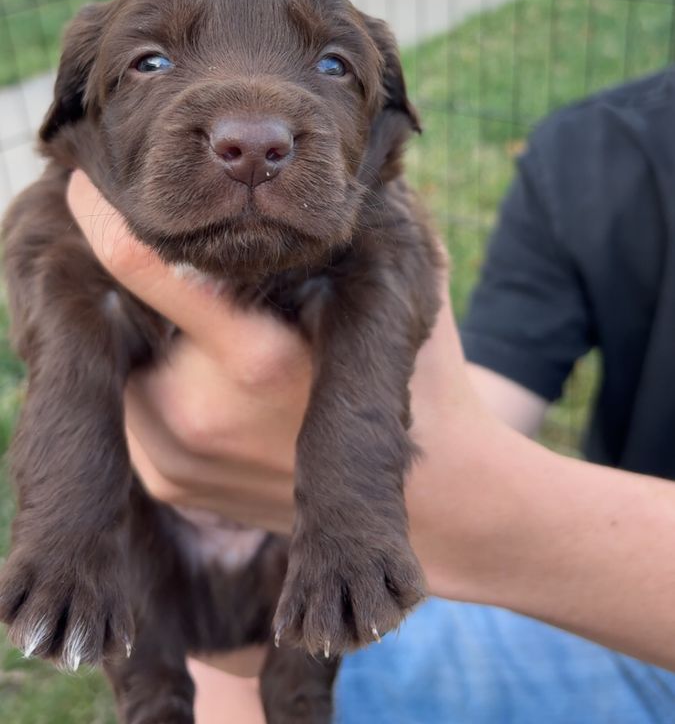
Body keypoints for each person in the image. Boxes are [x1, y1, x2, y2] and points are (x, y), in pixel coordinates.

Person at [66, 60, 675, 724]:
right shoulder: (590, 149)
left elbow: (471, 496)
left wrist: (468, 500)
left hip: (622, 585)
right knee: (234, 658)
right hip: (615, 606)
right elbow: (491, 393)